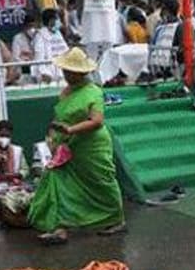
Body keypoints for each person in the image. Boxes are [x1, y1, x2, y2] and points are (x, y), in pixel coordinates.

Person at [30, 48, 126, 243]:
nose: (67, 75)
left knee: (102, 181)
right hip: (68, 145)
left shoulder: (94, 92)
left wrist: (71, 130)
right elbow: (60, 117)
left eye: (71, 72)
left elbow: (97, 120)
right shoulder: (65, 92)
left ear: (82, 73)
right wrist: (53, 136)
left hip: (92, 146)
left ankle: (116, 219)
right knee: (58, 180)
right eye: (65, 71)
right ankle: (60, 227)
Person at [33, 8, 70, 84]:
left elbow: (66, 51)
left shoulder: (57, 33)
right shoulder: (41, 36)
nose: (59, 21)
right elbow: (39, 58)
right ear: (51, 21)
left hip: (62, 73)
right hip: (49, 76)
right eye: (57, 19)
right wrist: (45, 74)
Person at [11, 12, 41, 81]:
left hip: (39, 69)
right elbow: (16, 57)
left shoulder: (40, 36)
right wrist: (26, 62)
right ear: (25, 26)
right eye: (29, 26)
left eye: (34, 26)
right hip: (24, 71)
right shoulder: (17, 38)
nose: (32, 29)